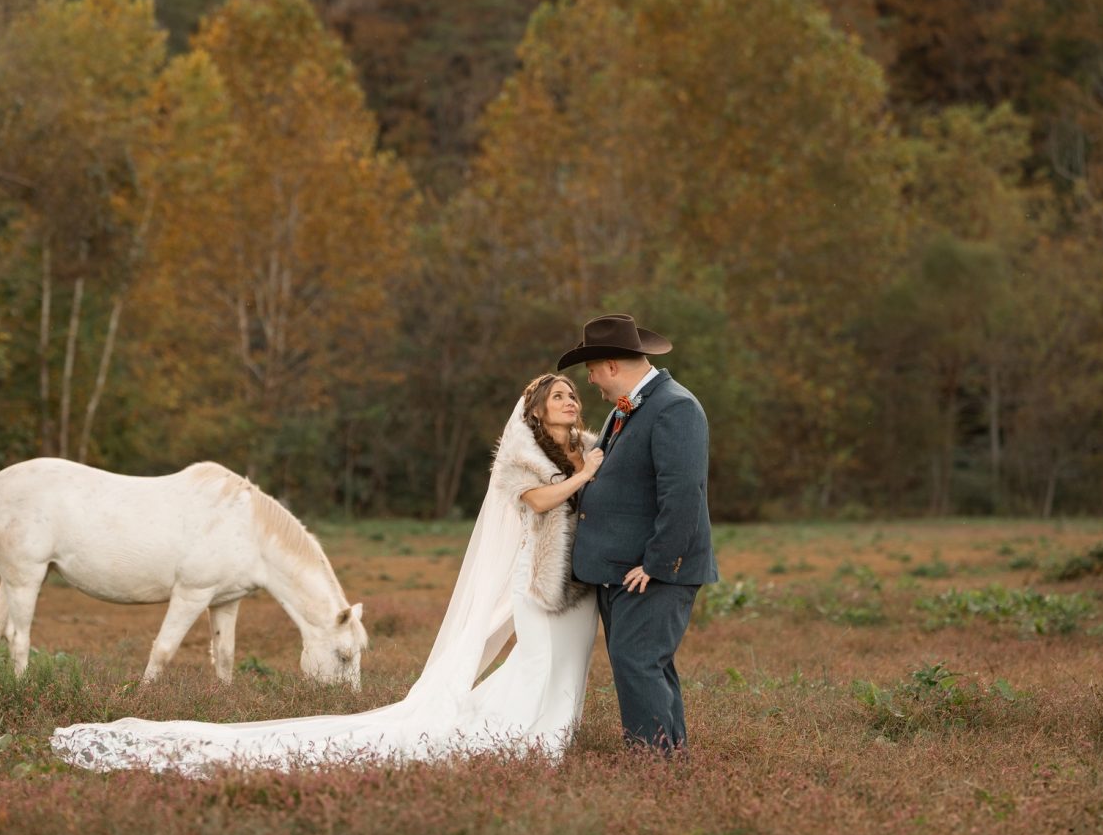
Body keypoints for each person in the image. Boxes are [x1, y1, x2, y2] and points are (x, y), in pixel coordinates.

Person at [50, 373, 604, 774]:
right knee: (539, 658)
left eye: (573, 394)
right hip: (537, 583)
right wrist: (585, 478)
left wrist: (590, 469)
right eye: (559, 395)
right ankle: (530, 740)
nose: (571, 400)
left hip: (577, 582)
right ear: (534, 409)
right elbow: (537, 502)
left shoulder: (584, 447)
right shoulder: (521, 456)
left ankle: (553, 729)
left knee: (571, 662)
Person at [557, 313, 718, 754]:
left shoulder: (676, 406)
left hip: (651, 569)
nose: (589, 380)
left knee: (636, 662)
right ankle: (670, 760)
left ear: (611, 365)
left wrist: (656, 562)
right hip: (620, 567)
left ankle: (652, 766)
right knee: (648, 664)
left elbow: (684, 492)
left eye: (591, 370)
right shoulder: (624, 408)